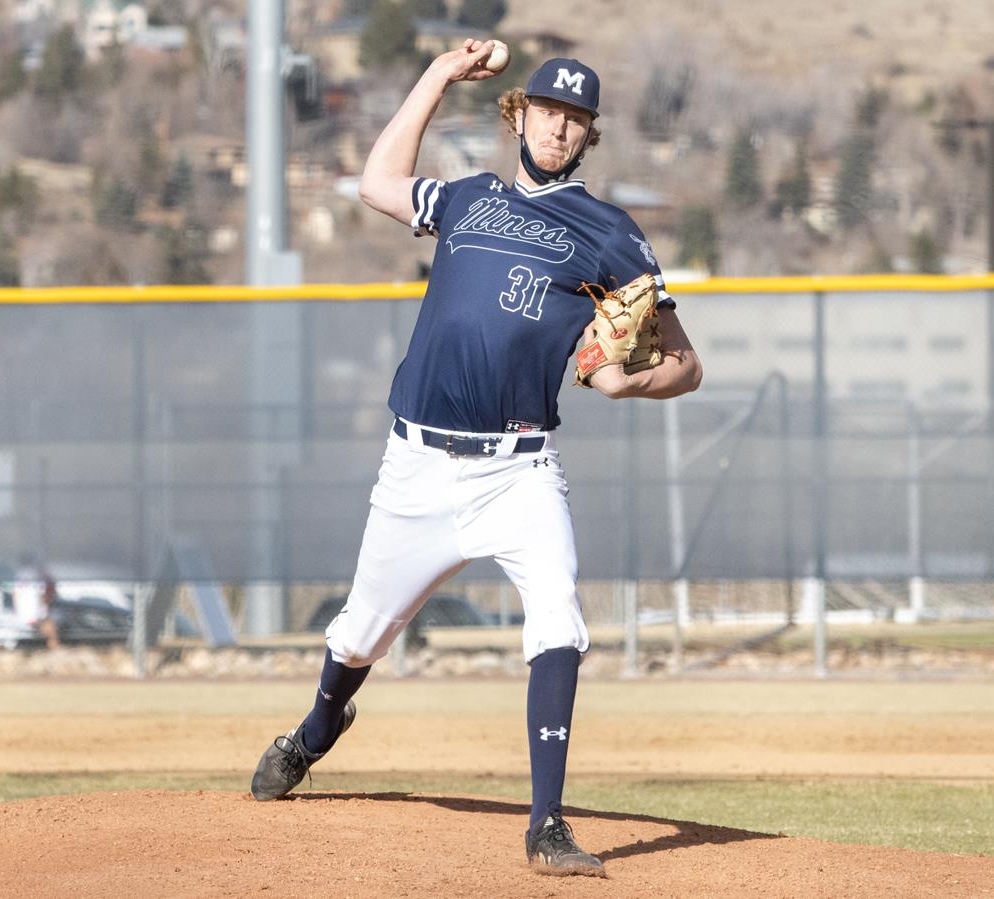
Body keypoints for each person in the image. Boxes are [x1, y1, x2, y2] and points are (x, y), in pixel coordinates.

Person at [250, 43, 702, 878]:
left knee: (559, 618)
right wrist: (435, 76)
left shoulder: (613, 234)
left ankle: (547, 825)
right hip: (417, 461)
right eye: (547, 111)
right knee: (359, 633)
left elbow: (686, 361)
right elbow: (377, 183)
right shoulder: (468, 198)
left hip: (518, 466)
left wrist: (628, 385)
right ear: (518, 114)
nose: (558, 128)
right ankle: (315, 731)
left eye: (575, 119)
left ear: (587, 136)